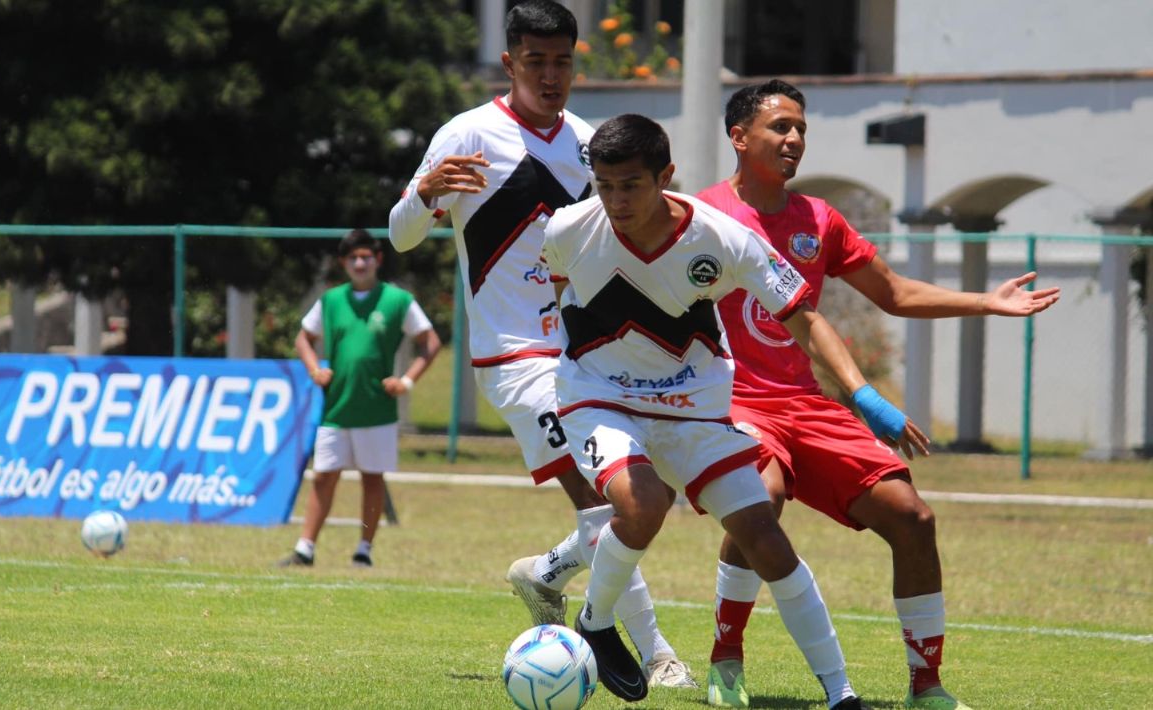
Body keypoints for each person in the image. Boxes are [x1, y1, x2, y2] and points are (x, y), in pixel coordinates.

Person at [696, 79, 1061, 710]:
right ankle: (727, 657)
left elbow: (892, 292)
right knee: (763, 498)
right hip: (734, 402)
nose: (794, 140)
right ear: (739, 137)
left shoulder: (818, 219)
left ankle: (927, 686)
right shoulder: (700, 216)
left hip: (807, 404)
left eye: (801, 129)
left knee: (913, 518)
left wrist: (986, 301)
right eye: (780, 127)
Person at [542, 113, 927, 706]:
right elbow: (565, 294)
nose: (616, 201)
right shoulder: (568, 229)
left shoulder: (724, 239)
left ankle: (840, 693)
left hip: (696, 408)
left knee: (766, 541)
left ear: (666, 176)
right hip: (600, 396)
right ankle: (595, 623)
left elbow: (804, 316)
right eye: (605, 185)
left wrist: (862, 395)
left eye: (632, 185)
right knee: (643, 503)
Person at [387, 0, 696, 692]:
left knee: (646, 492)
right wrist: (423, 195)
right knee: (603, 500)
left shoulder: (592, 145)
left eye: (562, 61)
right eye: (536, 61)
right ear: (509, 62)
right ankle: (653, 652)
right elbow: (401, 235)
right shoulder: (466, 135)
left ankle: (547, 573)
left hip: (591, 354)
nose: (551, 75)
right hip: (514, 356)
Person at [278, 229, 441, 569]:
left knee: (371, 477)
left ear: (378, 260)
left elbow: (431, 342)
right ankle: (304, 548)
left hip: (377, 408)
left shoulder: (398, 301)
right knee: (323, 475)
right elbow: (303, 339)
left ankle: (364, 550)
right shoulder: (331, 300)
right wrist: (314, 370)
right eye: (352, 258)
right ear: (343, 263)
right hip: (336, 406)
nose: (360, 263)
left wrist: (406, 381)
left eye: (366, 256)